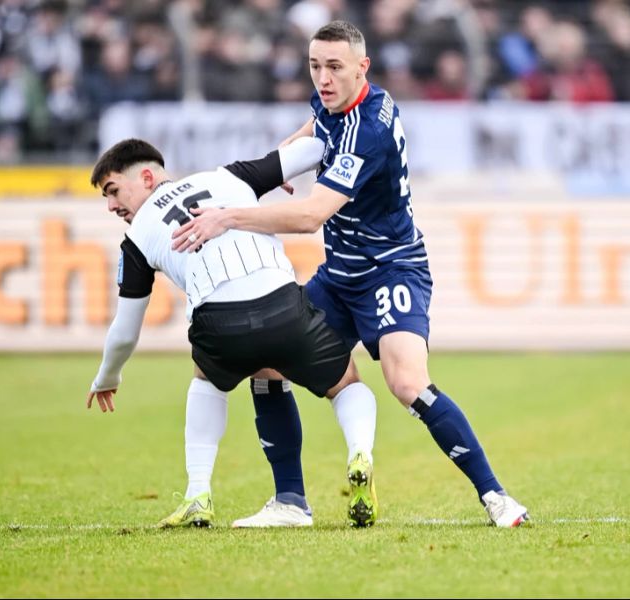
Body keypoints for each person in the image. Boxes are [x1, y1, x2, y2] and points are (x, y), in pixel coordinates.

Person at [172, 20, 529, 527]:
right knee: (267, 364)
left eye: (334, 67)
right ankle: (291, 502)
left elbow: (309, 217)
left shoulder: (369, 129)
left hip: (391, 269)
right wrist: (284, 166)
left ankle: (496, 497)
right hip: (337, 277)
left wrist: (226, 216)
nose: (323, 78)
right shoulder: (333, 100)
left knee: (407, 382)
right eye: (315, 66)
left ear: (363, 67)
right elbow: (311, 130)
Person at [86, 137, 379, 528]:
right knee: (345, 383)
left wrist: (109, 375)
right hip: (281, 305)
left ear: (145, 176)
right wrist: (308, 139)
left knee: (206, 383)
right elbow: (310, 151)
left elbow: (125, 331)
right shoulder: (231, 176)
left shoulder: (136, 237)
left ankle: (199, 494)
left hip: (218, 326)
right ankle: (359, 452)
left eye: (113, 191)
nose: (111, 206)